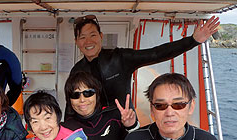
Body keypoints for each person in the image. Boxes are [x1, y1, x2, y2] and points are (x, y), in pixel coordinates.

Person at [69, 14, 219, 111]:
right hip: (94, 128)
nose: (88, 41)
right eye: (82, 37)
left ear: (101, 36)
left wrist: (192, 41)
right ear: (76, 42)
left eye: (93, 35)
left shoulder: (120, 57)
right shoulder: (77, 71)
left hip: (125, 124)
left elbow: (156, 53)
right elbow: (71, 107)